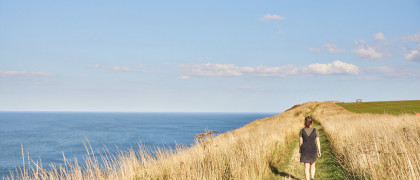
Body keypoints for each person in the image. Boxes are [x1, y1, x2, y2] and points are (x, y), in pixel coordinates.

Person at [299, 116, 321, 180]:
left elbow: (300, 142)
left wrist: (300, 149)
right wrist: (319, 151)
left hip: (305, 149)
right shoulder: (315, 130)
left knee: (306, 166)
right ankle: (312, 178)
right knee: (312, 165)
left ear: (305, 122)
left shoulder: (302, 131)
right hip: (313, 149)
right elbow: (318, 142)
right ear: (311, 122)